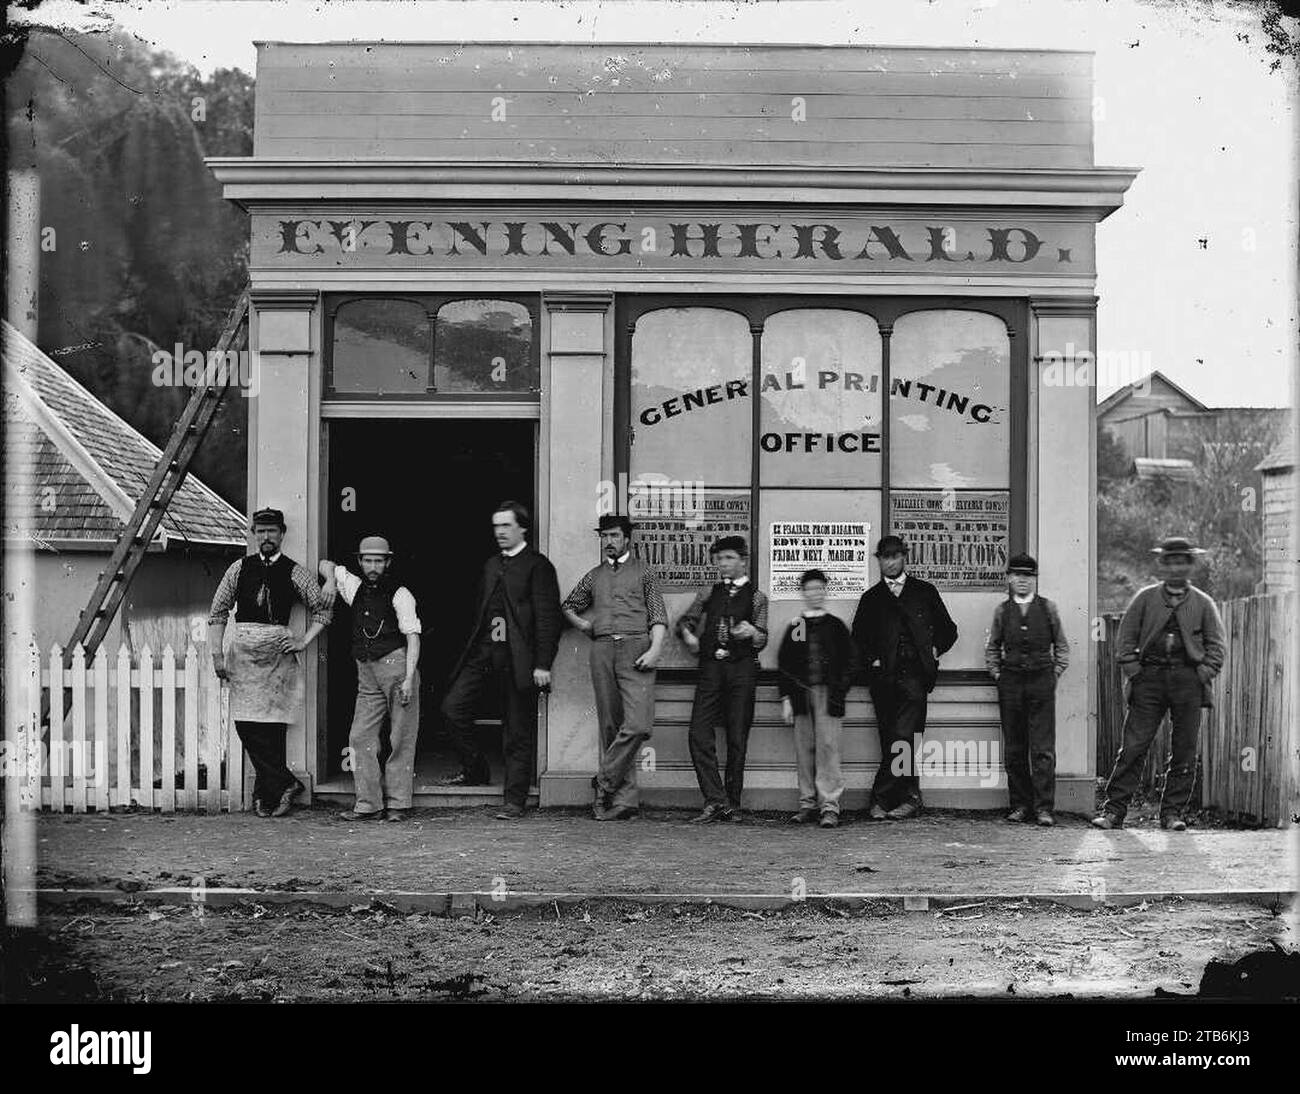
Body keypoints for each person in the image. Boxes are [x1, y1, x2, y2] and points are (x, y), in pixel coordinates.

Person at [439, 501, 562, 820]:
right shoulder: (491, 564)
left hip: (518, 660)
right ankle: (475, 769)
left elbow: (549, 620)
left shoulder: (539, 566)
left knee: (517, 730)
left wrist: (543, 664)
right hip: (483, 654)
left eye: (506, 526)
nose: (500, 533)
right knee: (453, 709)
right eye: (496, 527)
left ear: (522, 527)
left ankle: (515, 799)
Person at [1093, 536, 1225, 831]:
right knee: (1133, 746)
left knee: (1184, 750)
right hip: (1148, 680)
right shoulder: (1145, 599)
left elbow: (1217, 647)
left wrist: (1201, 674)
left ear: (1191, 565)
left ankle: (1172, 814)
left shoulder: (1204, 604)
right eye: (1171, 562)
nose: (1177, 568)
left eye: (1183, 562)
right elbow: (1125, 640)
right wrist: (1136, 673)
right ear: (1161, 566)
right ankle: (1114, 812)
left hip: (1187, 682)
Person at [207, 508, 331, 818]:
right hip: (244, 654)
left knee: (273, 727)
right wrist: (217, 654)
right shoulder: (238, 569)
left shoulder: (295, 572)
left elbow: (324, 612)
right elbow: (218, 612)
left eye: (272, 531)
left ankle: (268, 795)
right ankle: (284, 782)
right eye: (260, 531)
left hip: (278, 655)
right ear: (253, 534)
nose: (266, 537)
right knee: (245, 723)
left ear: (281, 534)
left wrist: (302, 641)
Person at [562, 514, 667, 821]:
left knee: (638, 724)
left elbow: (658, 616)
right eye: (604, 536)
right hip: (603, 649)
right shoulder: (594, 575)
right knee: (611, 725)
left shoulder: (644, 572)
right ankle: (625, 801)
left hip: (637, 650)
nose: (609, 541)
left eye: (614, 536)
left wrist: (655, 649)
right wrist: (585, 625)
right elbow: (568, 605)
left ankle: (604, 781)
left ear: (627, 539)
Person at [851, 534, 958, 820]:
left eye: (895, 556)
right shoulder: (871, 598)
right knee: (894, 739)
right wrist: (870, 661)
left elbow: (949, 630)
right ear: (879, 561)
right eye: (885, 557)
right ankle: (909, 798)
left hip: (914, 677)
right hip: (883, 679)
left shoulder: (924, 591)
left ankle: (880, 798)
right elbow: (857, 640)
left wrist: (933, 651)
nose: (890, 562)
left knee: (903, 736)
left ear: (904, 557)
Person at [318, 536, 422, 822]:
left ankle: (399, 805)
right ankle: (368, 804)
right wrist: (329, 581)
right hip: (366, 671)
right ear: (360, 562)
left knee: (401, 736)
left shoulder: (400, 593)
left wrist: (409, 678)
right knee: (360, 736)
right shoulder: (353, 587)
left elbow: (413, 637)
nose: (373, 566)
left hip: (397, 666)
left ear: (388, 562)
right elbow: (326, 564)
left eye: (379, 560)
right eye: (368, 560)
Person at [675, 535, 769, 824]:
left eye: (729, 558)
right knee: (698, 733)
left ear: (743, 561)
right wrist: (689, 635)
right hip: (710, 670)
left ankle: (733, 804)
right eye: (720, 558)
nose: (723, 564)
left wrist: (751, 633)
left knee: (737, 737)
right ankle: (715, 800)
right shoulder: (708, 592)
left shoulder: (757, 597)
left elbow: (763, 637)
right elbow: (684, 623)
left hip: (742, 670)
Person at [985, 553, 1070, 827]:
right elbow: (992, 648)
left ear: (1034, 579)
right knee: (1015, 747)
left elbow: (1062, 647)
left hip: (1041, 681)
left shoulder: (1048, 609)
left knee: (1043, 749)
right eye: (1017, 575)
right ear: (1009, 578)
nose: (1022, 580)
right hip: (1010, 683)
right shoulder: (1002, 611)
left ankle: (1044, 808)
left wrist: (1054, 672)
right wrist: (997, 674)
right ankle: (1020, 805)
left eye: (1028, 576)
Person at [777, 569, 854, 828]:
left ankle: (830, 806)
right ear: (804, 593)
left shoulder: (835, 626)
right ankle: (807, 804)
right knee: (804, 749)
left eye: (820, 589)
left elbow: (849, 663)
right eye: (810, 589)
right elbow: (786, 663)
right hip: (801, 695)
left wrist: (839, 690)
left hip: (828, 696)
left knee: (828, 749)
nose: (815, 594)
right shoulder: (797, 626)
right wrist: (786, 697)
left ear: (825, 591)